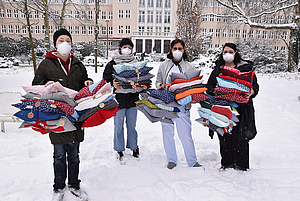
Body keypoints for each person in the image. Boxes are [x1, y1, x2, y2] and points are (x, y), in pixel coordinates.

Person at [32, 29, 93, 200]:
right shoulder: (46, 64)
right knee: (59, 154)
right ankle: (59, 186)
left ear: (71, 43)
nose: (64, 43)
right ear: (55, 44)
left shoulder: (78, 64)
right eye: (60, 40)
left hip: (75, 116)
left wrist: (88, 83)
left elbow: (85, 83)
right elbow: (36, 85)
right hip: (56, 116)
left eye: (67, 40)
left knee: (74, 154)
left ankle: (74, 184)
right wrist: (46, 85)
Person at [206, 42, 259, 171]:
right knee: (224, 135)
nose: (227, 54)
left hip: (242, 109)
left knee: (241, 136)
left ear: (235, 54)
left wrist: (250, 92)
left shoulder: (245, 69)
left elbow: (255, 87)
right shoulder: (218, 70)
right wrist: (217, 90)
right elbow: (209, 88)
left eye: (230, 52)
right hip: (224, 108)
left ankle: (242, 165)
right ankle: (227, 163)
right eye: (225, 52)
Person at [156, 38, 202, 169]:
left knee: (186, 135)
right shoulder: (164, 65)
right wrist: (159, 85)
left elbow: (194, 84)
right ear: (171, 50)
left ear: (184, 50)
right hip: (166, 103)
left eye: (180, 49)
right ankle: (171, 159)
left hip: (182, 105)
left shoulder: (189, 66)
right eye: (175, 48)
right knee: (167, 133)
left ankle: (192, 161)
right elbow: (158, 80)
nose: (177, 51)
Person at [103, 38, 140, 161]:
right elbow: (105, 80)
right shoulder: (112, 63)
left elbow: (142, 78)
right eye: (125, 47)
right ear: (120, 48)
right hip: (118, 99)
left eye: (129, 47)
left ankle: (134, 147)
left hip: (132, 99)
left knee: (132, 125)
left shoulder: (136, 62)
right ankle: (119, 149)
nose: (127, 49)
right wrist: (112, 84)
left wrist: (139, 85)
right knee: (118, 125)